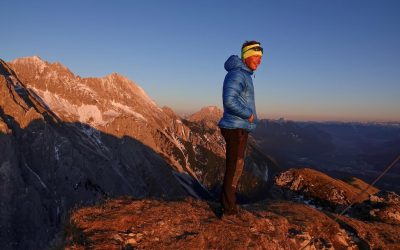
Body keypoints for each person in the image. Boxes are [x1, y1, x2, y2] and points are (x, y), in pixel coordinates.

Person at [217, 40, 263, 215]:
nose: (259, 61)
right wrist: (248, 115)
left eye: (260, 58)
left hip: (239, 127)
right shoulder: (237, 74)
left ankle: (229, 204)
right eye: (256, 57)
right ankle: (228, 208)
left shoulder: (244, 74)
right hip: (235, 127)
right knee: (234, 167)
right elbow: (229, 100)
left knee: (237, 166)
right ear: (246, 56)